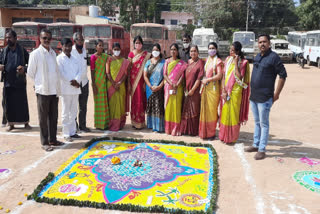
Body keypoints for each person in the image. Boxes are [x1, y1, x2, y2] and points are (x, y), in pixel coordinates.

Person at [245, 34, 287, 160]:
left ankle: (262, 149)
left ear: (269, 43)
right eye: (260, 42)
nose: (262, 44)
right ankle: (255, 145)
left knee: (264, 123)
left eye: (264, 42)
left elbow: (283, 75)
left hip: (265, 97)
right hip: (254, 96)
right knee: (257, 122)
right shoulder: (258, 56)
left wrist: (277, 94)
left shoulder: (274, 57)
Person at [27, 29, 63, 152]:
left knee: (53, 117)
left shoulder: (53, 53)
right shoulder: (35, 54)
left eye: (48, 38)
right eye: (44, 38)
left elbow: (56, 72)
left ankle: (53, 139)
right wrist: (38, 84)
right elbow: (30, 73)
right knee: (43, 118)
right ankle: (45, 142)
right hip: (43, 91)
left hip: (54, 90)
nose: (46, 40)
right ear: (40, 39)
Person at [219, 41, 250, 144]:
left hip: (236, 91)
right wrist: (223, 90)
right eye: (230, 50)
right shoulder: (227, 60)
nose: (230, 52)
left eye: (232, 50)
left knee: (233, 114)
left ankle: (232, 137)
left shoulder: (243, 62)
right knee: (225, 113)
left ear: (237, 51)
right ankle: (224, 135)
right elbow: (223, 76)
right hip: (226, 90)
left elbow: (240, 77)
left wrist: (236, 63)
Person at [0, 30, 31, 131]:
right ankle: (11, 124)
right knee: (9, 104)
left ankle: (25, 123)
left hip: (20, 82)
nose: (8, 40)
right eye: (6, 38)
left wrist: (24, 69)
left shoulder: (22, 50)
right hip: (8, 82)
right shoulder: (4, 51)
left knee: (22, 103)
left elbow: (30, 64)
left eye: (10, 37)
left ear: (15, 38)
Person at [57, 38, 83, 142]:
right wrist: (72, 82)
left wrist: (77, 81)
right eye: (65, 46)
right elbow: (61, 74)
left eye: (69, 46)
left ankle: (72, 132)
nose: (67, 48)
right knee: (65, 112)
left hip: (75, 89)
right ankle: (66, 133)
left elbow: (80, 71)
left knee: (73, 111)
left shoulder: (75, 59)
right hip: (66, 89)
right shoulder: (59, 59)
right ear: (62, 46)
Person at [199, 42, 223, 140]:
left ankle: (211, 133)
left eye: (213, 48)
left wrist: (208, 80)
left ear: (216, 49)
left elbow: (219, 75)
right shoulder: (207, 60)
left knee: (212, 111)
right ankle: (204, 132)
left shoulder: (218, 61)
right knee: (204, 111)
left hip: (213, 89)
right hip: (205, 89)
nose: (211, 50)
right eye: (209, 48)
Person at [163, 43, 187, 136]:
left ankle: (175, 129)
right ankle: (168, 129)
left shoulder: (181, 63)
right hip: (169, 87)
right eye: (171, 49)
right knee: (169, 108)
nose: (173, 51)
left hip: (178, 88)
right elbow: (165, 74)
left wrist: (177, 83)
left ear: (177, 51)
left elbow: (182, 75)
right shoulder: (167, 61)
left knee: (176, 108)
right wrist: (170, 83)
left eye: (175, 50)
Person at [180, 45, 204, 136]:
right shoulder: (188, 62)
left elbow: (199, 78)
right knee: (186, 109)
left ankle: (193, 131)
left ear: (198, 52)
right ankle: (185, 129)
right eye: (191, 51)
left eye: (194, 51)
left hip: (195, 91)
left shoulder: (200, 62)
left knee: (194, 109)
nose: (192, 53)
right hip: (186, 89)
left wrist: (193, 90)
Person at [128, 36, 151, 129]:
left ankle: (141, 122)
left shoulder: (146, 55)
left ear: (142, 44)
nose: (138, 44)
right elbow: (129, 70)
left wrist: (146, 82)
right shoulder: (131, 54)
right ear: (134, 44)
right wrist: (129, 83)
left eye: (139, 43)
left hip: (142, 82)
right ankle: (134, 122)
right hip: (133, 82)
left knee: (141, 101)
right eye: (136, 43)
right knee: (134, 101)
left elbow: (149, 67)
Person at [106, 42, 130, 131]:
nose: (116, 51)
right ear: (112, 50)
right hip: (111, 86)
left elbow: (125, 74)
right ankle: (112, 124)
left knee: (121, 104)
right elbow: (107, 73)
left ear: (120, 50)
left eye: (118, 49)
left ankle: (120, 123)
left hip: (121, 85)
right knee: (112, 105)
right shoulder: (109, 59)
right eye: (115, 49)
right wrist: (113, 83)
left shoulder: (124, 61)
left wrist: (119, 82)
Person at [143, 43, 165, 132]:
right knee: (151, 106)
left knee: (158, 106)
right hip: (150, 88)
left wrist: (159, 86)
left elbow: (166, 76)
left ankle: (159, 126)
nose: (155, 52)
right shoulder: (148, 62)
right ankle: (151, 125)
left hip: (160, 88)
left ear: (160, 51)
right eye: (153, 50)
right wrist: (150, 86)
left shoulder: (164, 62)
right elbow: (145, 75)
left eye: (157, 50)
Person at [71, 32, 91, 132]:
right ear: (74, 41)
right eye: (79, 40)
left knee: (83, 106)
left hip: (84, 82)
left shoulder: (84, 51)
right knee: (74, 106)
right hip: (74, 84)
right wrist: (76, 81)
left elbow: (84, 68)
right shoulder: (71, 51)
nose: (81, 42)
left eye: (82, 40)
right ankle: (74, 126)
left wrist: (80, 81)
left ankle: (83, 126)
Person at [90, 39, 110, 130]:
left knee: (105, 104)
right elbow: (92, 72)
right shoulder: (93, 57)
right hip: (97, 84)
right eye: (99, 45)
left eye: (102, 45)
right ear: (95, 47)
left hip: (104, 84)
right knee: (98, 105)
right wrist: (93, 85)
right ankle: (99, 124)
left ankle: (105, 124)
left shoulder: (105, 56)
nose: (101, 47)